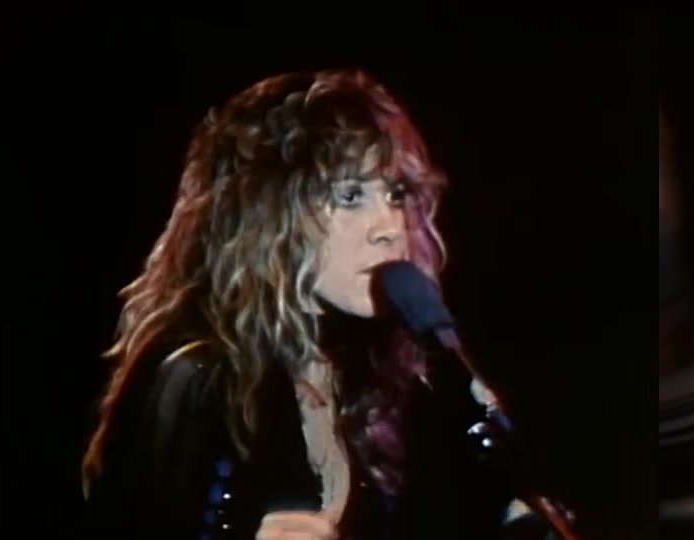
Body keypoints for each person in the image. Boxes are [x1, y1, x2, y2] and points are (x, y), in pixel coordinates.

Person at [81, 69, 550, 540]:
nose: (389, 227)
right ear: (271, 212)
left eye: (395, 194)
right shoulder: (194, 375)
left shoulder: (374, 385)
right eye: (350, 196)